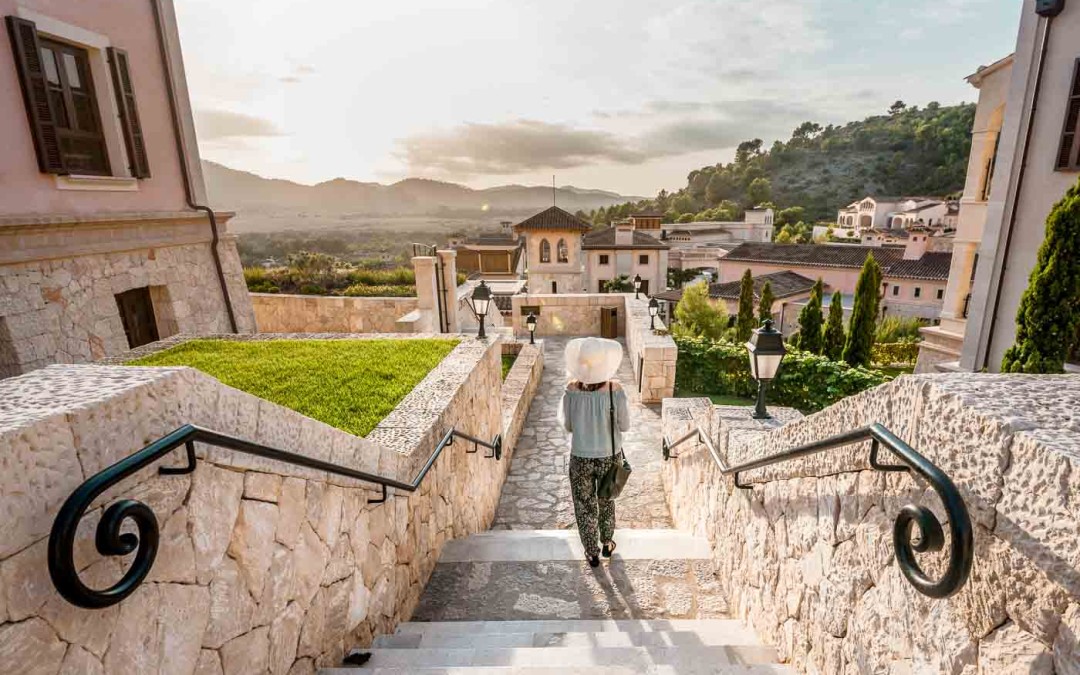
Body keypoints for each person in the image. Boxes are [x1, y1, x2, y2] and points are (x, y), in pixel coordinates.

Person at [560, 337, 631, 568]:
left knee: (583, 504)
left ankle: (591, 552)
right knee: (606, 500)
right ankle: (607, 542)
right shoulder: (615, 390)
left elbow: (568, 426)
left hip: (580, 456)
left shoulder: (571, 390)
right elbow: (625, 426)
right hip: (609, 455)